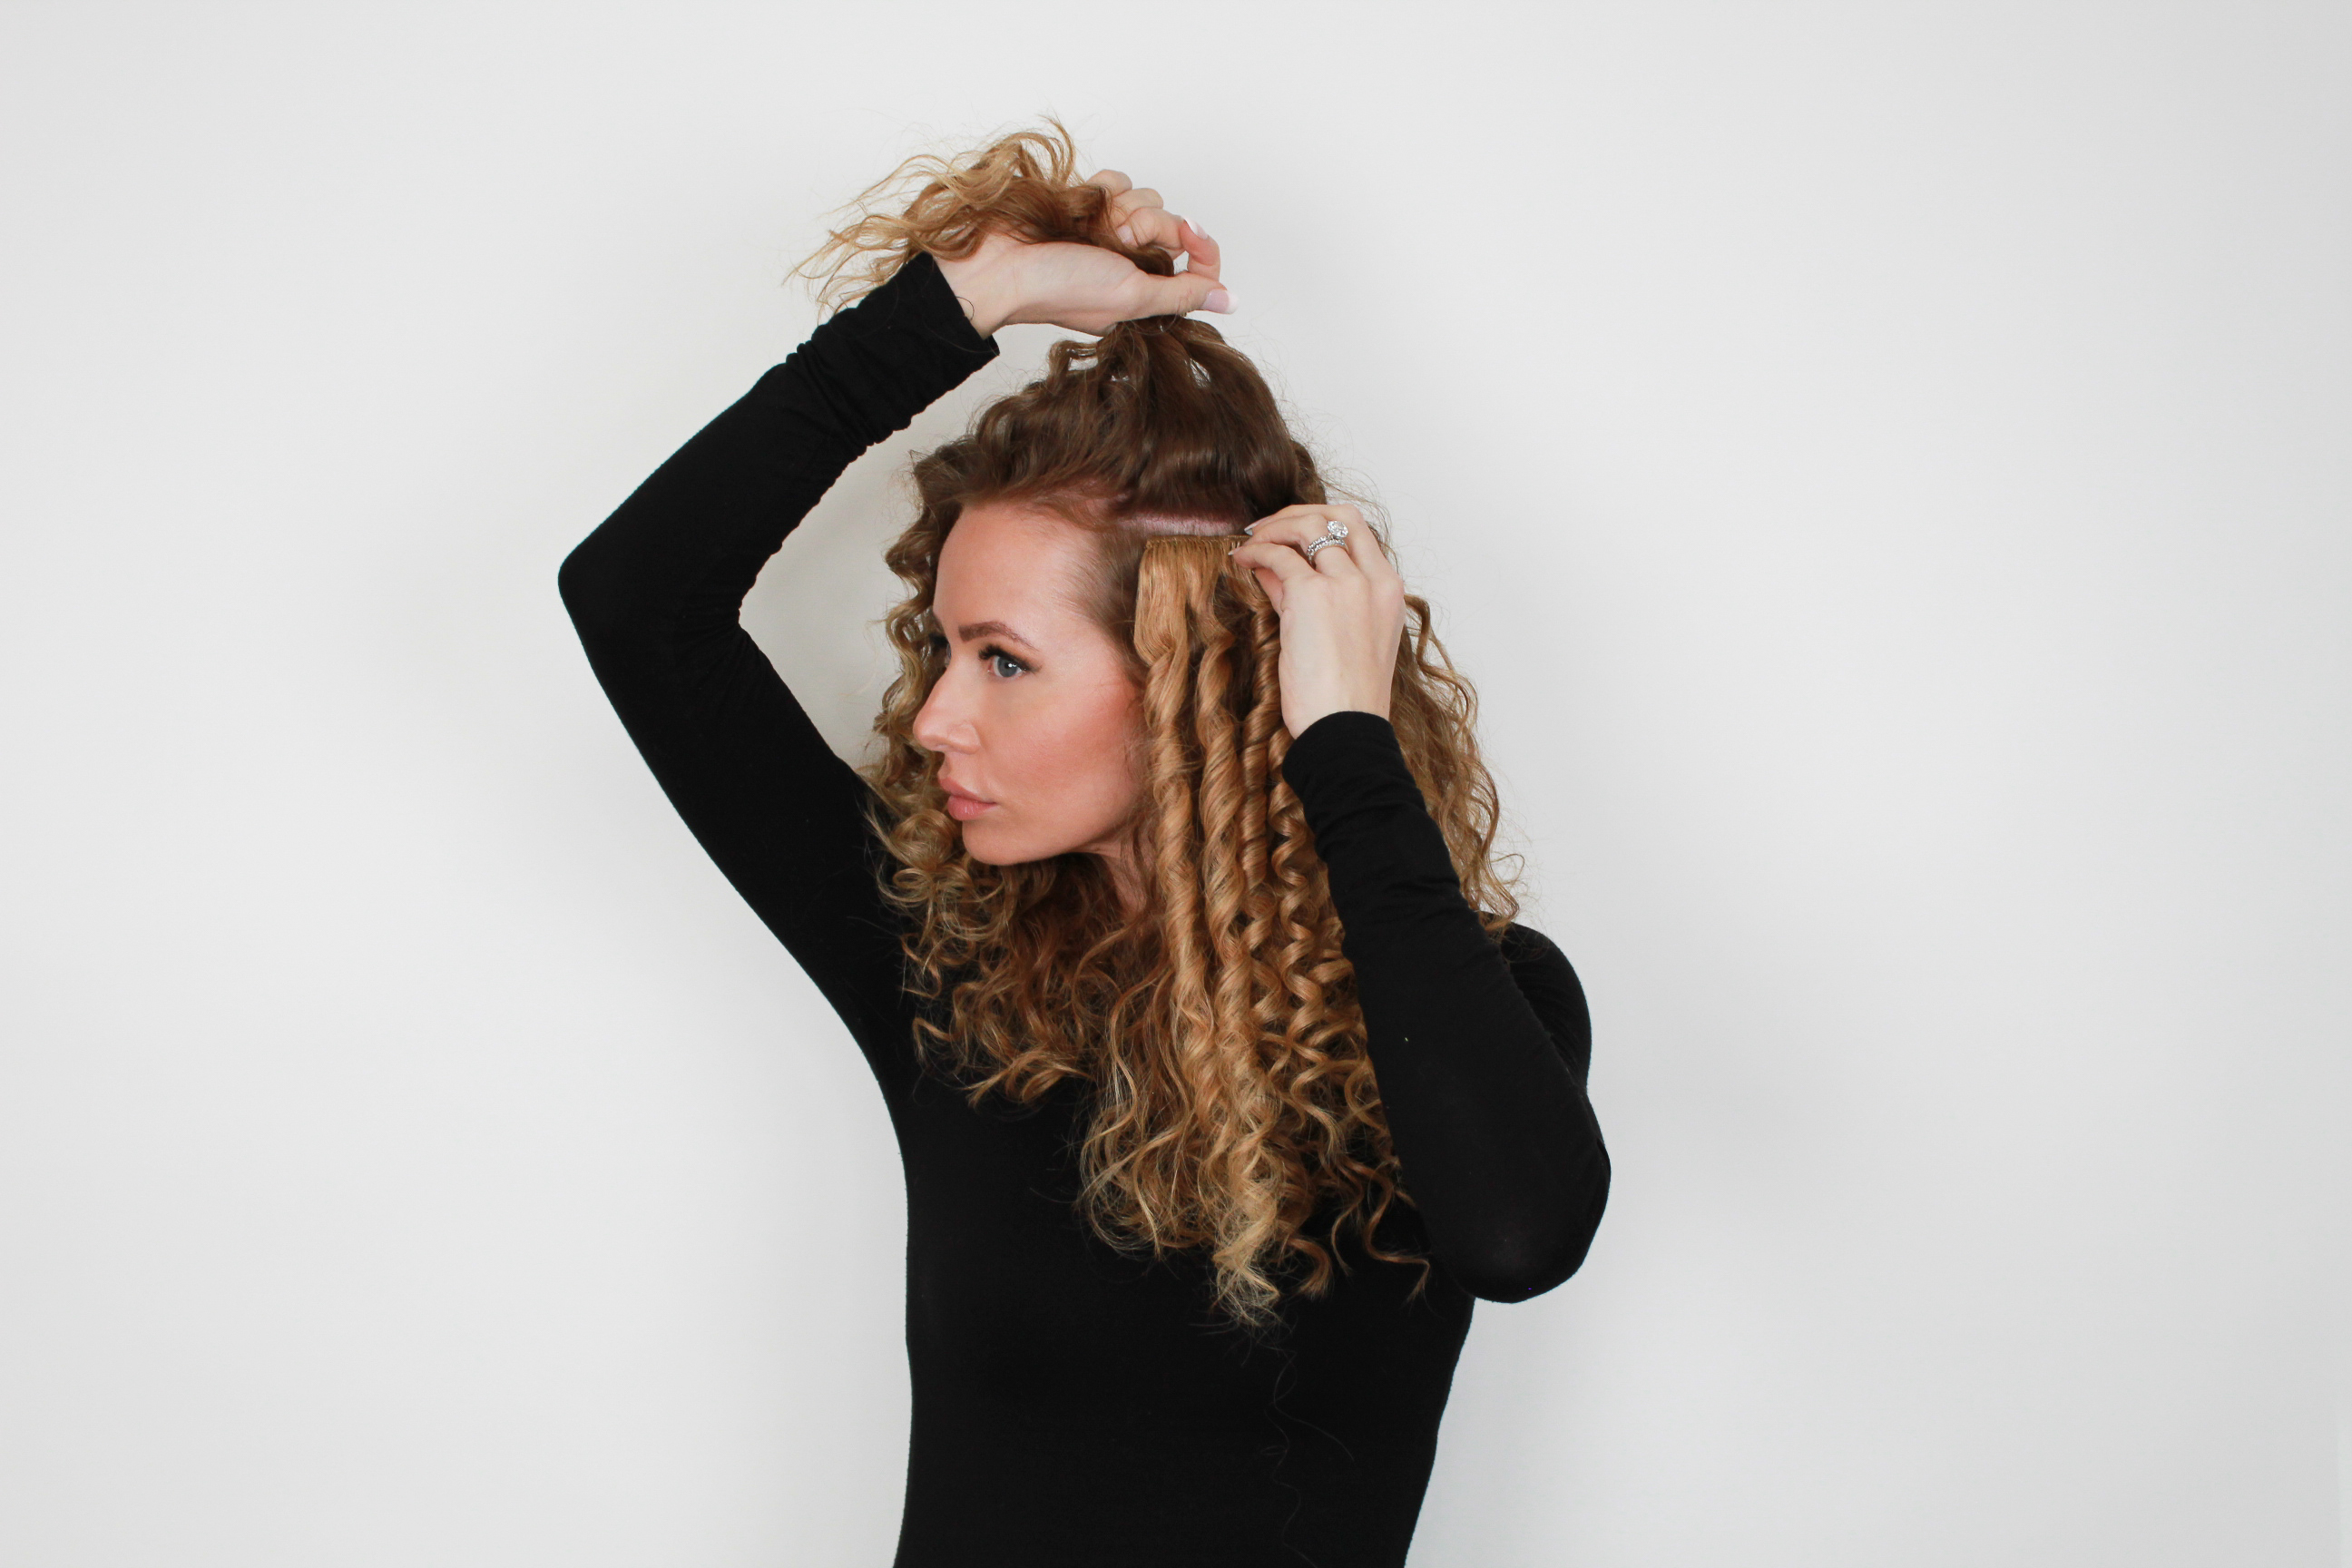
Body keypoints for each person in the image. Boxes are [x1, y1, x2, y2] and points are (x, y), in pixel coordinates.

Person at [557, 123, 1610, 1568]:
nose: (930, 719)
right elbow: (635, 596)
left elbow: (1520, 1237)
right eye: (943, 648)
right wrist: (967, 295)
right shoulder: (952, 980)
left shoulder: (1460, 1006)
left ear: (1185, 679)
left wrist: (1342, 741)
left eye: (1001, 661)